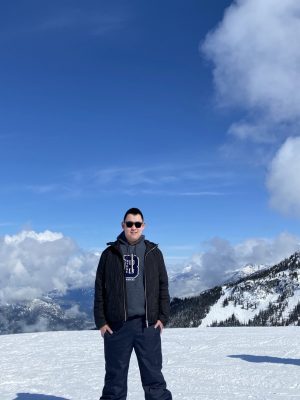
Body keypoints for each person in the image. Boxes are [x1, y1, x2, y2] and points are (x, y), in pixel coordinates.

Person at [94, 207, 172, 400]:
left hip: (147, 326)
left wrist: (162, 318)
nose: (133, 227)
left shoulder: (154, 253)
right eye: (129, 224)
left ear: (143, 226)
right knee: (114, 382)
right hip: (117, 327)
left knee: (154, 380)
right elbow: (99, 289)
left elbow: (163, 286)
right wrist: (101, 322)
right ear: (123, 225)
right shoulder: (109, 254)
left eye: (137, 224)